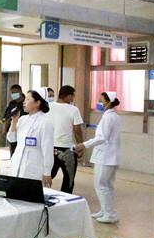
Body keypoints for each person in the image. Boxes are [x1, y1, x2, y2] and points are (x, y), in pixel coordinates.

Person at [74, 91, 121, 224]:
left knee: (101, 185)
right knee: (107, 185)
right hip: (110, 156)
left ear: (108, 102)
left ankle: (109, 214)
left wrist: (84, 144)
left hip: (106, 157)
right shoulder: (114, 116)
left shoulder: (108, 118)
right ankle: (106, 210)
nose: (99, 103)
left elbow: (101, 138)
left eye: (101, 100)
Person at [7, 87, 54, 187]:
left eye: (28, 99)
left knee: (29, 194)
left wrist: (47, 172)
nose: (24, 102)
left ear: (37, 103)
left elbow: (48, 150)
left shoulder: (46, 122)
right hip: (17, 165)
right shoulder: (22, 119)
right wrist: (14, 122)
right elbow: (12, 139)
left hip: (33, 169)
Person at [48, 85, 84, 193]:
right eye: (72, 96)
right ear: (68, 96)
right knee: (69, 179)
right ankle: (66, 198)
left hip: (50, 148)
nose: (73, 98)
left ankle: (38, 195)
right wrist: (80, 146)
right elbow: (77, 130)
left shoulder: (48, 107)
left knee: (47, 174)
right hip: (67, 149)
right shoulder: (73, 110)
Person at [2, 84, 27, 157]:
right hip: (13, 131)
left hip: (24, 132)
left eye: (15, 92)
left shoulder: (26, 102)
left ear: (20, 91)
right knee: (13, 154)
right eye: (12, 93)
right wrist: (5, 129)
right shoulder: (12, 104)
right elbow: (7, 117)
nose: (13, 94)